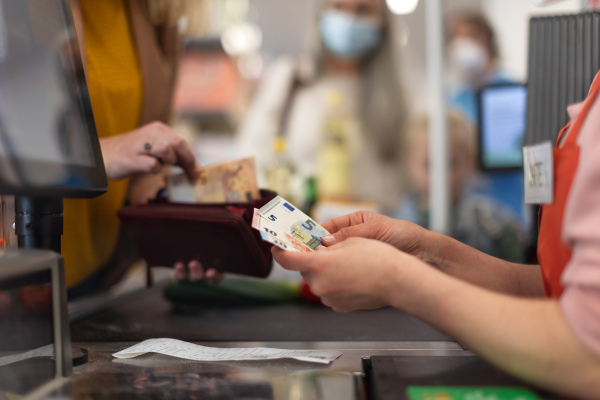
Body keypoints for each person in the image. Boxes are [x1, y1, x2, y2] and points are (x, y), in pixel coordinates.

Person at [272, 66, 600, 396]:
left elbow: (588, 350)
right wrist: (428, 251)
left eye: (451, 163)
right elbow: (555, 290)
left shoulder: (491, 218)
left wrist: (395, 278)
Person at [64, 0, 218, 298]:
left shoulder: (155, 12)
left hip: (95, 278)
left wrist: (176, 218)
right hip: (16, 275)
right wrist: (98, 156)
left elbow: (137, 169)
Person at [237, 0, 408, 215]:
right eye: (338, 7)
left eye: (363, 9)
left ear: (384, 21)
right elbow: (250, 155)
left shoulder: (403, 95)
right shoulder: (291, 80)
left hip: (372, 238)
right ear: (320, 13)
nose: (349, 19)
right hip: (294, 233)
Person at [395, 112, 523, 262]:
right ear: (409, 164)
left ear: (470, 162)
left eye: (451, 163)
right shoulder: (396, 224)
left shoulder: (492, 222)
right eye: (429, 164)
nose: (440, 175)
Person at [447, 13, 512, 124]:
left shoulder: (512, 90)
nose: (463, 44)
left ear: (488, 39)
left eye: (470, 35)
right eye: (458, 38)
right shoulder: (453, 99)